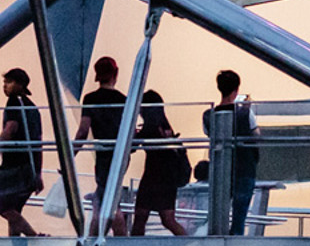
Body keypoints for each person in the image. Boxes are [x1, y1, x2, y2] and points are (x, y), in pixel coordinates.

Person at [0, 68, 44, 237]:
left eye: (9, 82)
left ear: (20, 84)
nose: (5, 86)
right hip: (29, 165)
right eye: (4, 82)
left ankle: (34, 236)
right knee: (15, 209)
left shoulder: (14, 102)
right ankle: (14, 245)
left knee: (5, 207)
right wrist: (38, 172)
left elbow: (10, 129)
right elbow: (38, 139)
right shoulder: (32, 107)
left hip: (14, 165)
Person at [74, 57, 129, 235]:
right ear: (116, 74)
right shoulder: (123, 99)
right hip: (120, 155)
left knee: (109, 202)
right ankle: (93, 240)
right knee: (105, 197)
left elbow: (83, 132)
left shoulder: (90, 99)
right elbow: (128, 130)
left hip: (103, 155)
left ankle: (117, 242)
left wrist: (70, 157)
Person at [200, 70, 259, 235]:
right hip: (245, 167)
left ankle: (218, 242)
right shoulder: (245, 113)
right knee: (239, 216)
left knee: (219, 212)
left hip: (220, 169)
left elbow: (209, 134)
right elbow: (255, 135)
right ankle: (235, 245)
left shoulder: (208, 115)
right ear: (236, 90)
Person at [130, 91, 190, 236]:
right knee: (168, 219)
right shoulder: (165, 126)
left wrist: (133, 131)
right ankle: (187, 241)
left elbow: (131, 148)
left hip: (152, 177)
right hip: (167, 179)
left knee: (140, 218)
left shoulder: (149, 128)